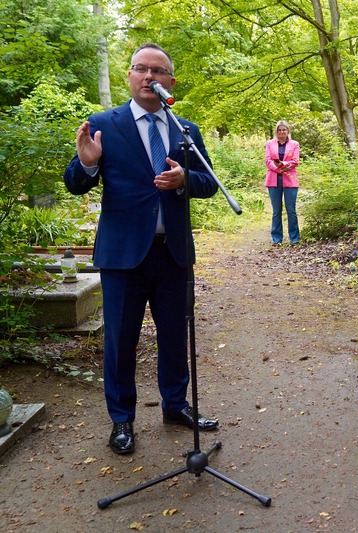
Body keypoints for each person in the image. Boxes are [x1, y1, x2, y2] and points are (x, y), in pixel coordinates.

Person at [63, 43, 220, 455]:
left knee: (174, 334)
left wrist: (185, 178)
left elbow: (208, 185)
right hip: (122, 256)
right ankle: (122, 420)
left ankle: (175, 405)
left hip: (173, 252)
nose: (149, 76)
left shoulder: (185, 129)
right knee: (120, 340)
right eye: (141, 68)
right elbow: (76, 182)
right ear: (130, 76)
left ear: (170, 82)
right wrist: (88, 163)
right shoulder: (103, 124)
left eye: (159, 71)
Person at [264, 120, 301, 244]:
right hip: (273, 179)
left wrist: (283, 165)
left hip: (290, 178)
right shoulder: (270, 143)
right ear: (276, 131)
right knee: (276, 211)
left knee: (291, 210)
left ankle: (294, 238)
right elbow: (268, 160)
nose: (282, 132)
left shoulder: (294, 144)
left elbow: (295, 161)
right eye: (279, 130)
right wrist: (278, 169)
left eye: (284, 130)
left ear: (288, 131)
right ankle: (276, 239)